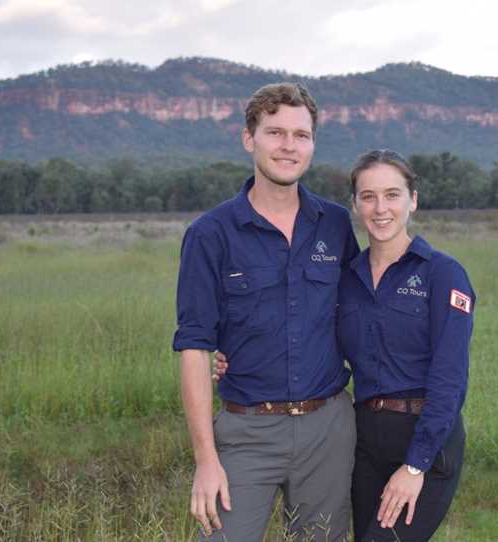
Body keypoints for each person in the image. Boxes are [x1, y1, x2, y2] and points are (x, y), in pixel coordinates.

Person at [216, 149, 475, 541]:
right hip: (364, 439)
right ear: (354, 205)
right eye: (368, 196)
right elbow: (305, 327)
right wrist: (227, 354)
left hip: (425, 439)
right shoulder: (347, 278)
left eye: (392, 195)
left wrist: (415, 466)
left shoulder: (443, 273)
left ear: (413, 200)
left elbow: (450, 379)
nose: (380, 207)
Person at [173, 82, 359, 542]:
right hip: (245, 432)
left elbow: (360, 313)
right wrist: (205, 460)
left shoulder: (334, 224)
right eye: (275, 132)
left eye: (301, 135)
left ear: (313, 143)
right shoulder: (210, 234)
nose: (288, 146)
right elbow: (195, 348)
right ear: (248, 138)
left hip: (328, 429)